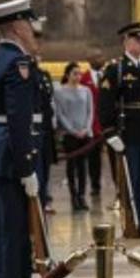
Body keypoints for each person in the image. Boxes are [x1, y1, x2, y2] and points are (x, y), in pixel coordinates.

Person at [0, 0, 44, 278]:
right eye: (28, 22)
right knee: (18, 231)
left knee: (9, 230)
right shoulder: (17, 63)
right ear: (16, 26)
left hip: (1, 150)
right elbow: (19, 120)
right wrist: (27, 168)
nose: (32, 28)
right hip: (15, 154)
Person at [100, 21, 140, 237]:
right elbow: (106, 103)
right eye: (136, 39)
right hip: (126, 133)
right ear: (125, 41)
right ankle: (131, 225)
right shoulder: (115, 68)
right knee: (129, 182)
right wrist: (109, 132)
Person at [53, 62, 93, 212]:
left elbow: (90, 111)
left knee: (83, 166)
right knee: (71, 165)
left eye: (79, 73)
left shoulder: (86, 91)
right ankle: (73, 195)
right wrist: (72, 130)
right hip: (69, 134)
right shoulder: (60, 92)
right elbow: (60, 113)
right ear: (67, 75)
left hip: (84, 133)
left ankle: (82, 195)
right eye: (74, 73)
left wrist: (86, 128)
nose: (77, 76)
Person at [79, 50, 107, 196]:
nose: (101, 59)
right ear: (89, 59)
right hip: (92, 123)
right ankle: (95, 186)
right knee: (93, 158)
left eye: (102, 56)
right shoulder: (84, 78)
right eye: (97, 57)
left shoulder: (110, 75)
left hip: (109, 122)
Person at [35, 56, 57, 213]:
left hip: (46, 126)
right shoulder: (26, 74)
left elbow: (49, 100)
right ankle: (37, 202)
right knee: (37, 169)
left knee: (46, 165)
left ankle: (44, 199)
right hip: (34, 127)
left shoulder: (44, 75)